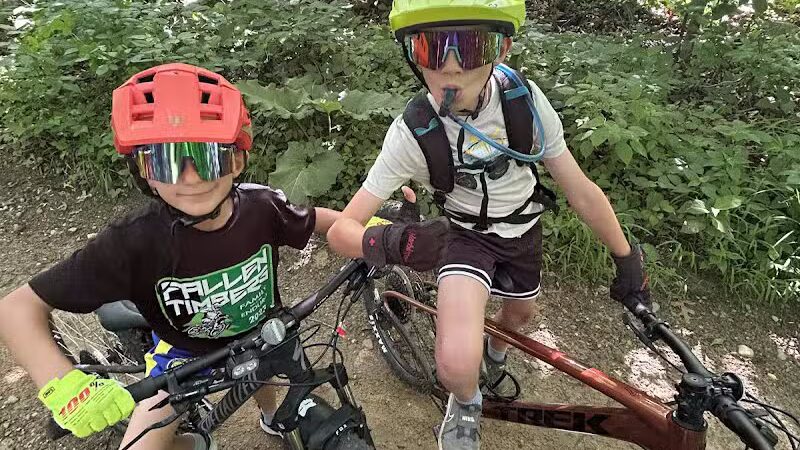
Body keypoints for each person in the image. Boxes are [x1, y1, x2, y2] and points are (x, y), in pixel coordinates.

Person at [326, 1, 650, 449]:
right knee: (457, 364)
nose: (452, 68)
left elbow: (579, 189)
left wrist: (626, 257)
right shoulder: (413, 132)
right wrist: (399, 241)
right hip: (463, 236)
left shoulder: (525, 104)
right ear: (410, 55)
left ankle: (495, 356)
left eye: (473, 45)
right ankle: (464, 402)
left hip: (522, 231)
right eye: (431, 47)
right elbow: (342, 230)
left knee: (519, 315)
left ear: (502, 50)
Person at [0, 63, 342, 450]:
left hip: (257, 335)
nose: (192, 178)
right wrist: (61, 386)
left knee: (264, 375)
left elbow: (315, 220)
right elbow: (17, 308)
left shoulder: (263, 207)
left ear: (238, 160)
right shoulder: (133, 241)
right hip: (182, 355)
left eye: (209, 156)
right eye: (167, 161)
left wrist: (367, 230)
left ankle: (268, 417)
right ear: (142, 172)